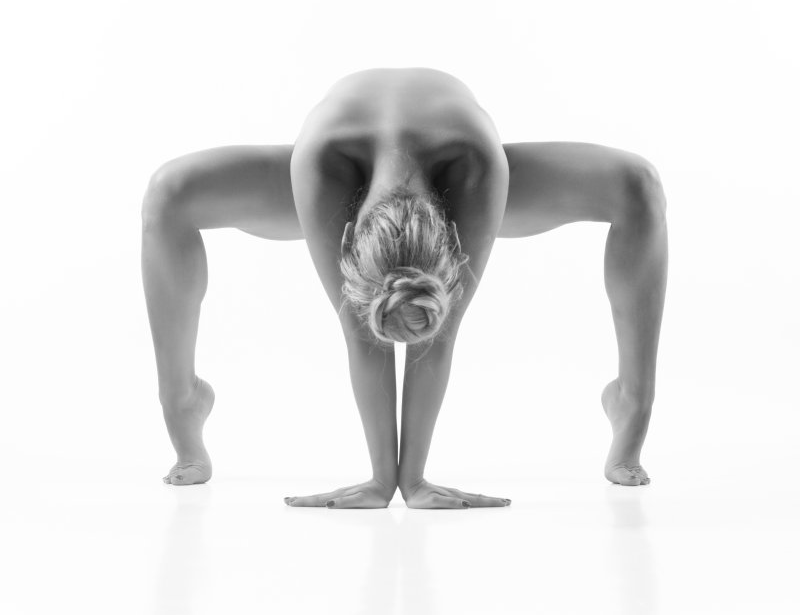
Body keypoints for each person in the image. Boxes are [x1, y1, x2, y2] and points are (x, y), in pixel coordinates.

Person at [141, 67, 668, 507]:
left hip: (461, 160)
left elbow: (440, 337)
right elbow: (357, 333)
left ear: (455, 242)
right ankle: (183, 402)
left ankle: (631, 402)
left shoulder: (476, 166)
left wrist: (409, 481)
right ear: (348, 236)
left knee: (638, 184)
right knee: (168, 191)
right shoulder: (321, 162)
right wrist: (383, 479)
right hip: (339, 161)